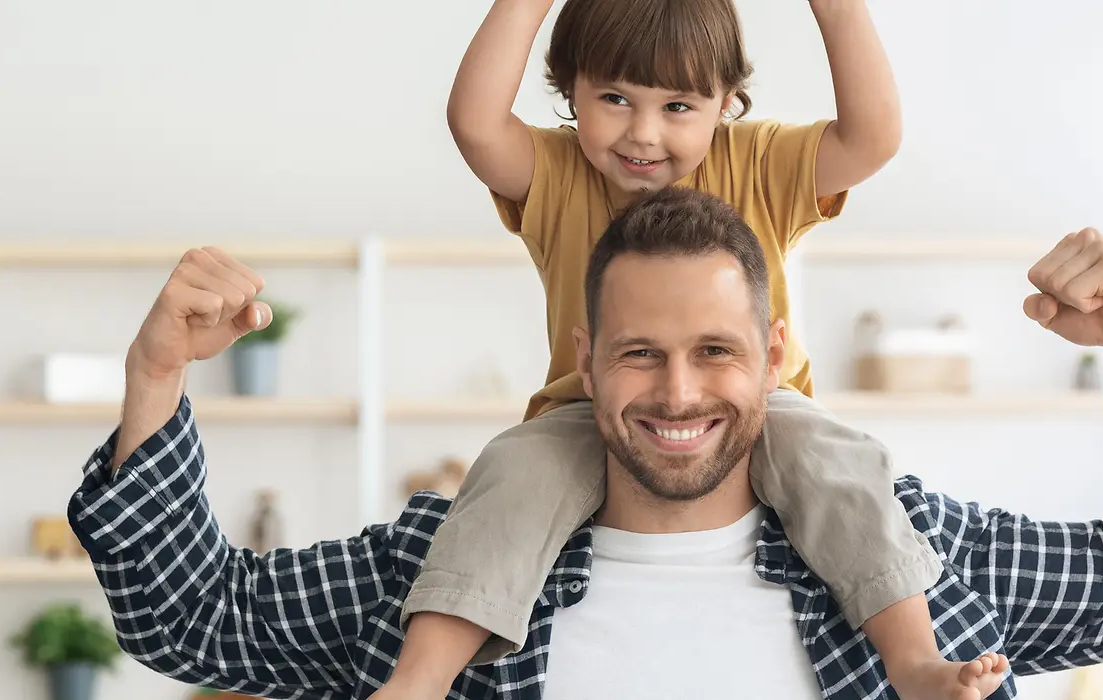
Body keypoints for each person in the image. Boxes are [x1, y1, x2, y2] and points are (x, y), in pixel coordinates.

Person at [67, 188, 1103, 700]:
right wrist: (155, 379)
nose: (678, 391)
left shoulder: (919, 556)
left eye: (714, 352)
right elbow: (191, 619)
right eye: (640, 354)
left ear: (772, 351)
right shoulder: (441, 572)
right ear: (586, 360)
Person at [407, 0, 956, 693]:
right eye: (613, 98)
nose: (642, 134)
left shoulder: (757, 160)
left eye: (678, 107)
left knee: (841, 465)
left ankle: (914, 660)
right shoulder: (556, 171)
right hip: (589, 408)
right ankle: (419, 680)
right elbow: (475, 123)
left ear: (727, 103)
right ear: (569, 89)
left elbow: (872, 136)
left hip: (764, 405)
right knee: (511, 475)